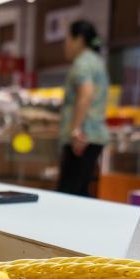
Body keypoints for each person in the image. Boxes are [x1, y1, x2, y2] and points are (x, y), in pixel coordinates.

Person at [58, 20, 109, 197]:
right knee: (80, 192)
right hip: (92, 136)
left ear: (79, 40)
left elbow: (86, 94)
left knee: (68, 195)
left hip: (82, 138)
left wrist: (75, 131)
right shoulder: (96, 61)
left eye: (67, 39)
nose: (65, 45)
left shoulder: (82, 63)